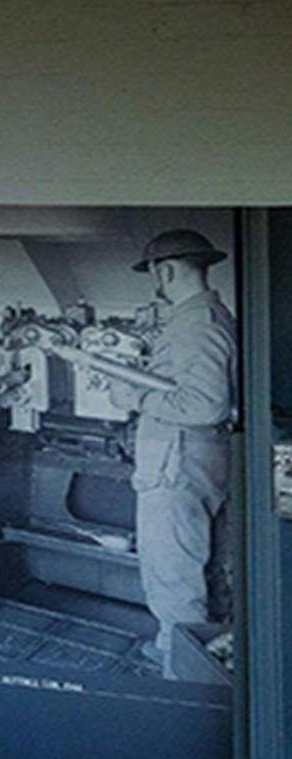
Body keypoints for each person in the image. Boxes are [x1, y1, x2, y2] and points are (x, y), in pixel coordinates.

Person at [107, 230, 238, 677]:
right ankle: (186, 653)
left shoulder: (196, 322)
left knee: (173, 573)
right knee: (206, 572)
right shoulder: (208, 316)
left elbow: (204, 404)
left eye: (154, 274)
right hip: (197, 457)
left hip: (177, 461)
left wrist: (133, 397)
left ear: (164, 271)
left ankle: (181, 676)